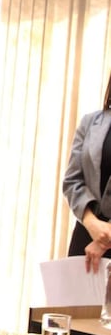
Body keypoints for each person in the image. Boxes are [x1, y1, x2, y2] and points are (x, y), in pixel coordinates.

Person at [63, 71, 111, 273]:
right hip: (86, 236)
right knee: (76, 304)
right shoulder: (90, 123)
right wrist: (92, 223)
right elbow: (72, 181)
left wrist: (105, 239)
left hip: (100, 240)